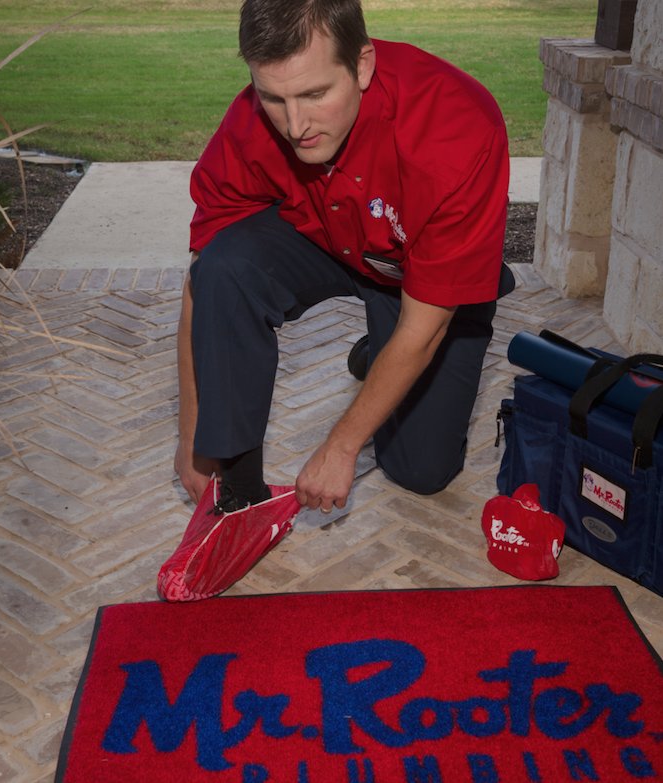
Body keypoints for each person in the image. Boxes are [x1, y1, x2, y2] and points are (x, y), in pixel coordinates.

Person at [175, 0, 513, 515]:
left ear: (362, 65)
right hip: (326, 238)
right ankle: (239, 492)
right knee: (224, 265)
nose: (294, 125)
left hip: (413, 277)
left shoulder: (458, 130)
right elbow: (204, 283)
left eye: (315, 94)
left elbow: (425, 328)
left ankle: (432, 302)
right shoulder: (251, 123)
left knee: (421, 471)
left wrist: (341, 446)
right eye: (273, 97)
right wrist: (194, 438)